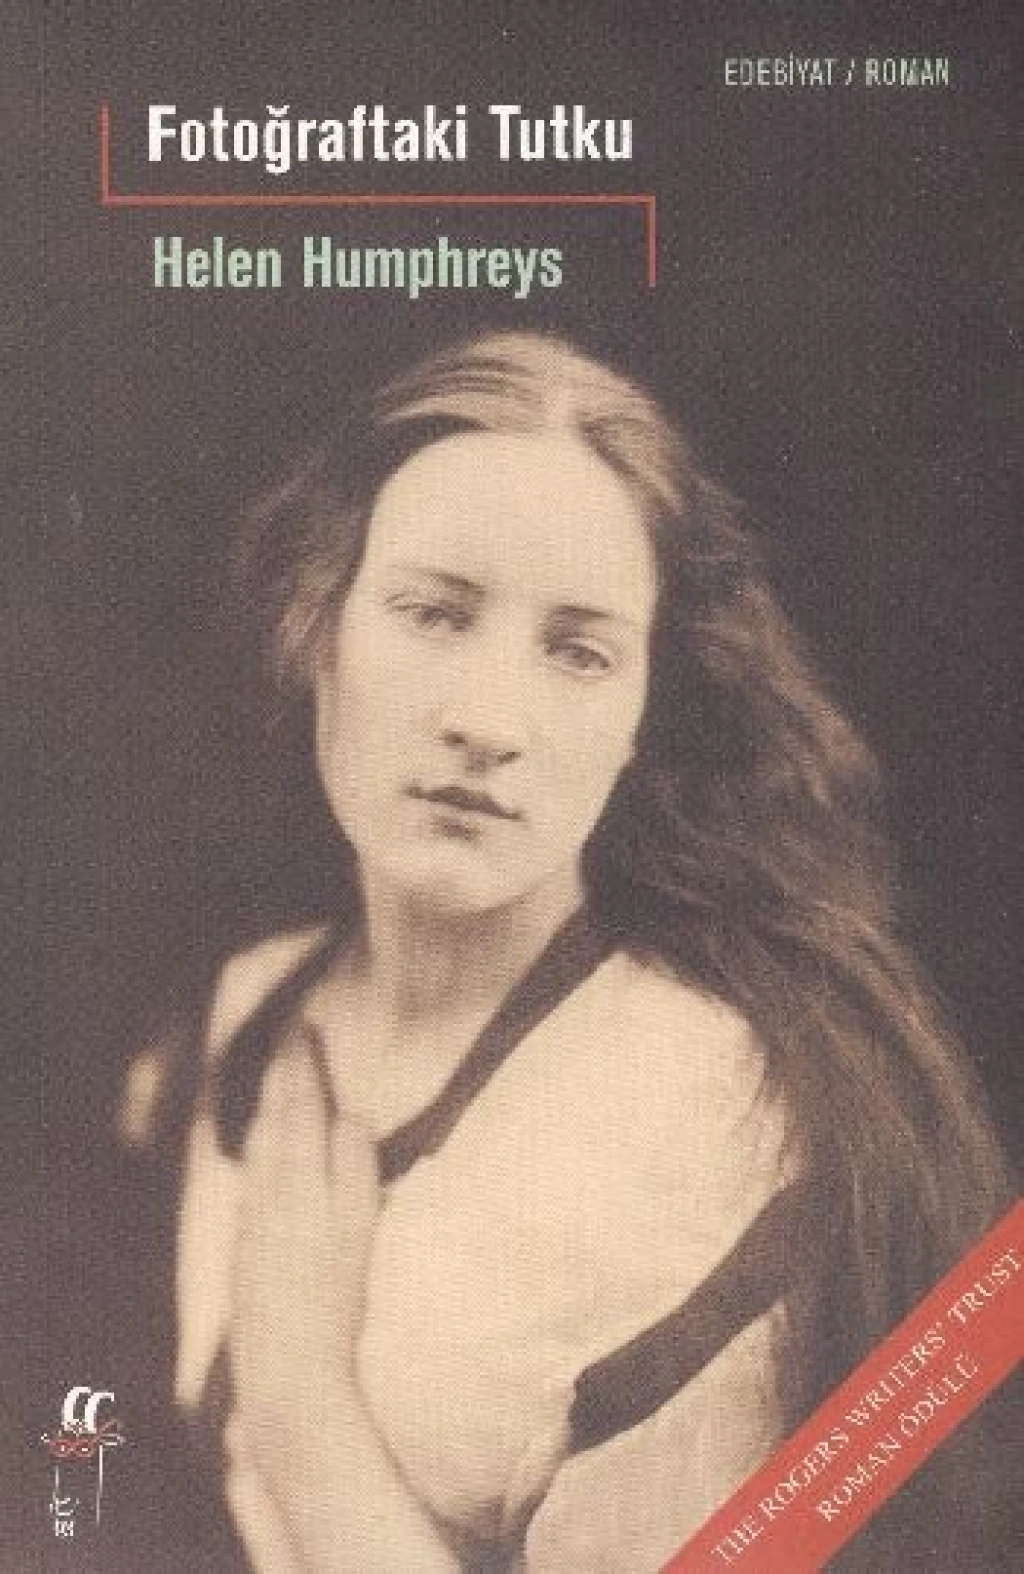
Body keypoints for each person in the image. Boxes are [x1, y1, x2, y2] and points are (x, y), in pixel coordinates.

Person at [119, 330, 1011, 1571]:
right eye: (434, 612)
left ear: (641, 713)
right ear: (314, 626)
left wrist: (300, 1400)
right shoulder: (243, 1015)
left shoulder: (715, 1126)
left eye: (578, 651)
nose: (488, 721)